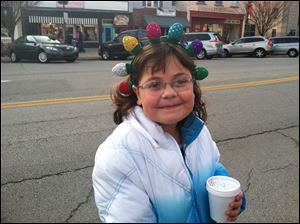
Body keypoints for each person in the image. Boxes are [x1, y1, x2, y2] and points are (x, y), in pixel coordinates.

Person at [92, 22, 246, 223]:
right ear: (137, 93)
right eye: (155, 84)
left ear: (193, 84)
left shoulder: (197, 130)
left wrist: (231, 197)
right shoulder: (118, 155)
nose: (170, 93)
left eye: (180, 81)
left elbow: (211, 166)